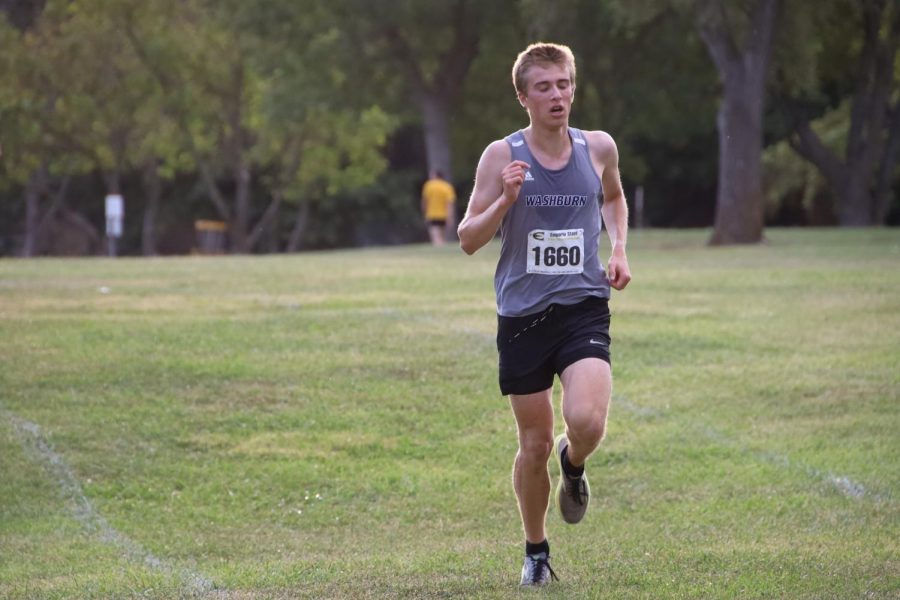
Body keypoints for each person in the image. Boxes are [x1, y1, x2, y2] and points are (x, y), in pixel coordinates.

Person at [457, 42, 632, 587]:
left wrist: (620, 247)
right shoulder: (500, 156)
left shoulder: (598, 147)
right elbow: (467, 239)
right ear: (523, 97)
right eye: (544, 87)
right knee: (532, 445)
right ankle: (536, 550)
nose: (557, 95)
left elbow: (614, 198)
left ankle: (574, 463)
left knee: (586, 421)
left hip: (582, 305)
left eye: (564, 84)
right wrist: (504, 201)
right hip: (523, 316)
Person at [421, 169, 456, 246]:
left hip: (432, 214)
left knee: (436, 236)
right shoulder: (447, 187)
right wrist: (450, 217)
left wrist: (424, 211)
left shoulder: (429, 185)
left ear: (434, 176)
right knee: (442, 236)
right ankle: (441, 249)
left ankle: (438, 248)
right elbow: (449, 203)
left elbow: (425, 201)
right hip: (444, 215)